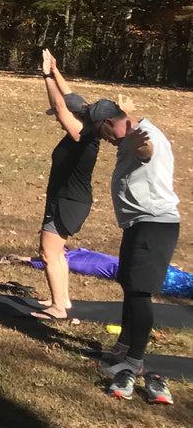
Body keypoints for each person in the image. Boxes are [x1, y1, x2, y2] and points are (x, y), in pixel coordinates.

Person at [91, 98, 180, 404]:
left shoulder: (142, 137)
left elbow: (146, 153)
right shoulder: (131, 130)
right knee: (128, 284)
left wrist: (137, 144)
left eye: (103, 133)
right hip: (139, 223)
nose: (104, 140)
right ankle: (125, 346)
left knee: (140, 291)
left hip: (154, 224)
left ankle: (135, 361)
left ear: (108, 123)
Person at [32, 50, 100, 319]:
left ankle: (58, 308)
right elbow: (71, 101)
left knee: (48, 252)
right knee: (55, 251)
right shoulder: (87, 129)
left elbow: (62, 108)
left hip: (68, 202)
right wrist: (57, 71)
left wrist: (46, 76)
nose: (57, 119)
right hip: (67, 199)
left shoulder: (81, 135)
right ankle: (63, 300)